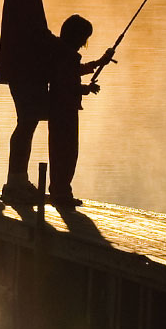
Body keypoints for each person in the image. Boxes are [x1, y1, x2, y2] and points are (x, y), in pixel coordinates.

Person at [0, 0, 63, 205]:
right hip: (24, 67)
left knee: (28, 122)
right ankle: (15, 183)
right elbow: (33, 30)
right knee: (26, 122)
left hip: (19, 65)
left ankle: (19, 179)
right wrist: (60, 47)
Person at [46, 14, 112, 209]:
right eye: (83, 38)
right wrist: (87, 89)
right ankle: (61, 192)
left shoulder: (63, 54)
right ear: (76, 37)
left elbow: (74, 72)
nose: (84, 43)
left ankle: (60, 190)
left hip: (60, 109)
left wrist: (98, 63)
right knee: (66, 152)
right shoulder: (68, 56)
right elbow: (67, 85)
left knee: (60, 151)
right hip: (64, 111)